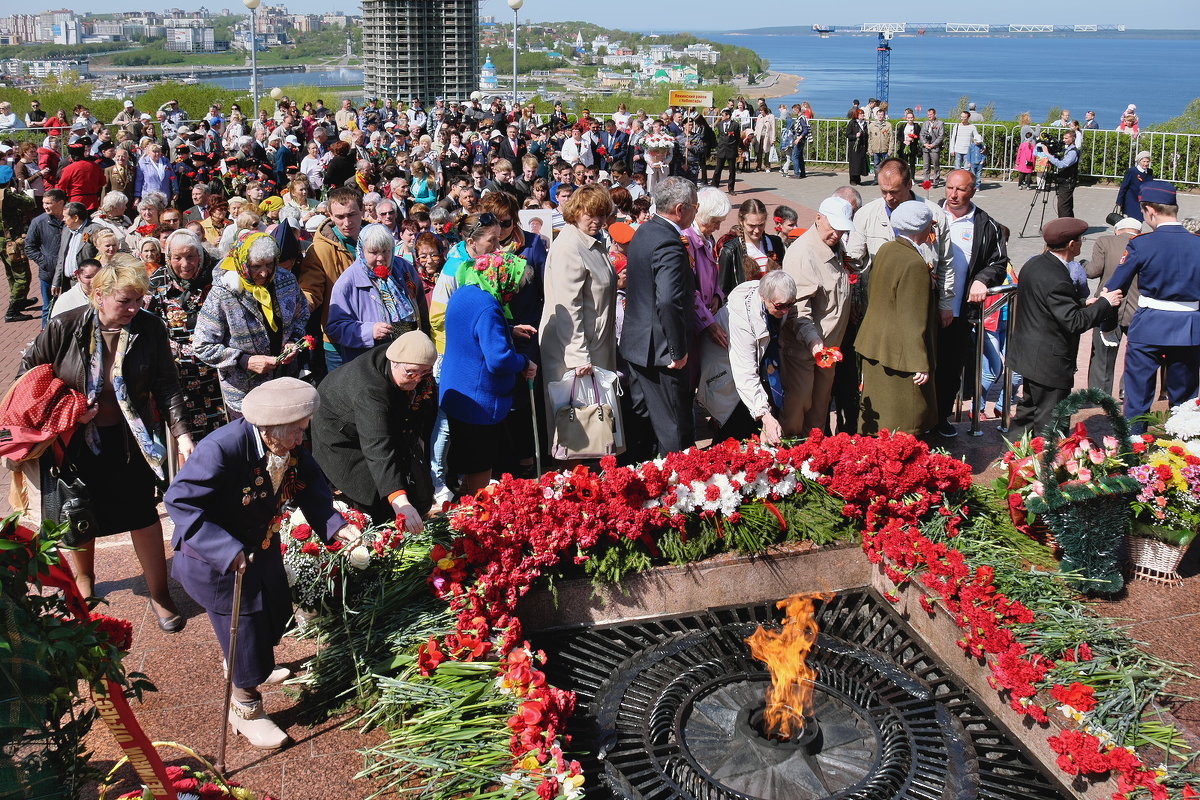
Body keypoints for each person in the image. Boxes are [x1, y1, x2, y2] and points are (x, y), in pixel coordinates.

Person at [167, 378, 358, 749]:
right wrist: (225, 549)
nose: (303, 439)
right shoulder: (223, 448)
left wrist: (336, 526)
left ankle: (246, 663)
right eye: (299, 431)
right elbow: (180, 501)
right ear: (271, 427)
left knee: (272, 614)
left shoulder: (288, 443)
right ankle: (245, 706)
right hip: (219, 561)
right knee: (245, 630)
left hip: (261, 547)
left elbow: (310, 484)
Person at [21, 257, 194, 629]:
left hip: (132, 441)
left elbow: (167, 384)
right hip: (76, 441)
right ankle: (85, 584)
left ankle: (160, 594)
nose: (133, 309)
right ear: (99, 296)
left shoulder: (149, 328)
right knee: (79, 514)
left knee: (143, 514)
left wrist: (182, 434)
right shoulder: (65, 326)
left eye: (138, 301)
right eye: (124, 301)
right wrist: (67, 410)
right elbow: (29, 377)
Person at [439, 241, 536, 494]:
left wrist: (508, 330)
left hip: (457, 389)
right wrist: (524, 362)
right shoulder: (489, 308)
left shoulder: (466, 291)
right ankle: (476, 517)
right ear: (502, 279)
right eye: (513, 285)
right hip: (478, 397)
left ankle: (465, 503)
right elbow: (499, 359)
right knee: (479, 463)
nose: (513, 292)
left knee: (466, 459)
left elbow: (472, 332)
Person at [1009, 218, 1121, 436]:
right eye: (1080, 240)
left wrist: (1081, 303)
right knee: (1052, 421)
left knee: (1027, 413)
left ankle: (1011, 458)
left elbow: (1046, 303)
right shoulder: (1057, 277)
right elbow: (1074, 322)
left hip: (1029, 355)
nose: (1081, 243)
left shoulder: (1035, 263)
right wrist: (1106, 302)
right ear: (1072, 244)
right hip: (1049, 361)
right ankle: (1046, 464)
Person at [312, 331, 437, 524]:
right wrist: (399, 501)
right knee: (374, 500)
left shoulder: (411, 365)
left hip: (377, 425)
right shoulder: (370, 390)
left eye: (425, 373)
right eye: (411, 373)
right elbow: (378, 446)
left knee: (415, 487)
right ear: (394, 362)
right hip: (342, 437)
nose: (417, 380)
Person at [1105, 181, 1200, 433]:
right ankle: (1186, 451)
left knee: (1138, 394)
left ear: (1149, 210)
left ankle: (1134, 447)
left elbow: (1115, 286)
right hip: (1189, 326)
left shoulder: (1142, 243)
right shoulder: (1197, 244)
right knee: (1186, 398)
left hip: (1149, 324)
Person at [619, 177, 697, 455]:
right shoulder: (669, 242)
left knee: (647, 423)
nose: (696, 211)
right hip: (662, 352)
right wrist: (677, 350)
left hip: (638, 344)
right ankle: (679, 488)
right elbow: (668, 299)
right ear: (680, 209)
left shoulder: (646, 230)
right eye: (694, 206)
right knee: (675, 426)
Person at [193, 232, 310, 414]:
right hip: (246, 394)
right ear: (242, 264)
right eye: (256, 266)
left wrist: (293, 341)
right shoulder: (223, 293)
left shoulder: (285, 281)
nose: (264, 273)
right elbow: (202, 346)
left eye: (269, 264)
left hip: (285, 383)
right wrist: (243, 360)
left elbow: (302, 314)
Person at [933, 169, 1010, 436]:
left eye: (961, 190)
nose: (953, 194)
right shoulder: (930, 215)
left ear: (973, 191)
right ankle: (917, 419)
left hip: (960, 313)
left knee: (951, 368)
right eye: (949, 188)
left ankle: (940, 417)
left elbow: (999, 262)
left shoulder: (986, 225)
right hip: (925, 309)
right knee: (920, 366)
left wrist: (982, 279)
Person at [856, 201, 940, 435]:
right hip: (900, 355)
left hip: (877, 345)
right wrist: (919, 363)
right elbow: (912, 319)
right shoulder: (913, 264)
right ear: (921, 228)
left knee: (878, 420)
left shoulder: (887, 249)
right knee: (904, 422)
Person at [780, 196, 857, 437]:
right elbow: (798, 310)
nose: (837, 233)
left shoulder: (835, 245)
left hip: (827, 351)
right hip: (804, 348)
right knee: (798, 407)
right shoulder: (802, 254)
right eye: (832, 226)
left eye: (842, 228)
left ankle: (814, 462)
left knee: (819, 410)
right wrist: (814, 343)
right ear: (818, 218)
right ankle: (789, 460)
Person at [539, 184, 618, 412]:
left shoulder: (588, 240)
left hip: (594, 342)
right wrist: (578, 356)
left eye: (602, 214)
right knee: (581, 422)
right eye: (590, 214)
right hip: (578, 350)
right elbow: (568, 305)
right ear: (576, 211)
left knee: (597, 420)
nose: (597, 220)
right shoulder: (570, 247)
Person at [147, 229, 225, 442]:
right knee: (186, 439)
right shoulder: (158, 282)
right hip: (178, 376)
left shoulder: (217, 278)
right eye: (177, 258)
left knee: (220, 437)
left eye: (191, 256)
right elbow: (150, 328)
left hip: (216, 374)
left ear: (200, 255)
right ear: (168, 258)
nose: (185, 264)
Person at [326, 223, 428, 363]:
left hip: (409, 357)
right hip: (371, 362)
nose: (380, 258)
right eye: (373, 252)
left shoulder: (404, 269)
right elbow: (335, 328)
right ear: (362, 251)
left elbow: (421, 308)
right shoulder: (348, 282)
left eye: (386, 251)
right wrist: (369, 331)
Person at [720, 270, 800, 444]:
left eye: (790, 304)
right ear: (763, 297)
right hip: (727, 367)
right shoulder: (743, 317)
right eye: (780, 306)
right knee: (736, 428)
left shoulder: (779, 303)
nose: (785, 310)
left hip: (765, 362)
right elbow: (745, 371)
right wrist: (764, 415)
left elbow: (796, 318)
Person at [299, 186, 363, 376]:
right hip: (338, 339)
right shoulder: (319, 250)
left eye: (352, 214)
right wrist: (295, 308)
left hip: (375, 333)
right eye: (340, 217)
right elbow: (310, 291)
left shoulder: (375, 240)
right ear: (330, 215)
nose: (347, 222)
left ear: (363, 211)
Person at [1086, 216, 1142, 396]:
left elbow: (1093, 271)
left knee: (1102, 357)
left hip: (1108, 306)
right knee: (1137, 355)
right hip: (1138, 307)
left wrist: (1081, 264)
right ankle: (1128, 391)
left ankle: (1099, 397)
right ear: (1138, 232)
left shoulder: (1105, 241)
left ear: (1117, 230)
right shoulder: (1146, 244)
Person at [683, 187, 732, 376]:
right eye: (715, 222)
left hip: (705, 313)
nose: (718, 227)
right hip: (694, 321)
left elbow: (713, 274)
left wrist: (717, 296)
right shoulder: (688, 239)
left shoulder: (707, 237)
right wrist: (709, 323)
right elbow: (689, 288)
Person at [717, 199, 785, 297]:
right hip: (743, 309)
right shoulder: (731, 251)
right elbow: (723, 290)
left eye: (761, 225)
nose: (757, 230)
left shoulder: (775, 243)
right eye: (751, 226)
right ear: (741, 221)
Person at [25, 188, 66, 327]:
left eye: (48, 203)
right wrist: (46, 262)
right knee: (48, 308)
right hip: (49, 274)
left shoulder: (72, 219)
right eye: (44, 203)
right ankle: (45, 340)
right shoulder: (38, 222)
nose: (45, 206)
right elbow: (29, 247)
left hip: (69, 274)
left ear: (60, 203)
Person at [1038, 130, 1080, 218]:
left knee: (1063, 206)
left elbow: (1062, 164)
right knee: (1067, 205)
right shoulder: (1067, 149)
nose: (1064, 140)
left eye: (1066, 138)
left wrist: (1047, 154)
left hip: (1068, 181)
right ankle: (1071, 225)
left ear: (1073, 138)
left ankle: (1065, 226)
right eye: (1063, 138)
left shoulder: (1073, 152)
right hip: (1064, 180)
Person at [1116, 151, 1153, 222]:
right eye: (1144, 161)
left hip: (1143, 201)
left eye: (1147, 161)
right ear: (1139, 161)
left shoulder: (1150, 172)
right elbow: (1124, 186)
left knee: (1140, 220)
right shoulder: (1132, 171)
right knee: (1132, 220)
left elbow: (1150, 186)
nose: (1146, 164)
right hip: (1131, 200)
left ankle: (1137, 233)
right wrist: (1119, 201)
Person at [710, 109, 740, 194]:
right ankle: (714, 187)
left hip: (731, 150)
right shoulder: (719, 125)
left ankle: (731, 189)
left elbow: (737, 138)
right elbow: (719, 136)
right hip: (722, 150)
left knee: (732, 171)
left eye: (723, 115)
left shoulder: (735, 125)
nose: (721, 117)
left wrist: (734, 146)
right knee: (718, 170)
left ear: (728, 116)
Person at [920, 108, 945, 186]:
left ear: (935, 114)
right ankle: (926, 181)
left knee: (936, 165)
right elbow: (921, 135)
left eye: (930, 114)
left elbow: (941, 136)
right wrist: (924, 143)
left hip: (935, 147)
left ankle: (936, 181)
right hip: (926, 147)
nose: (929, 116)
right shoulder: (925, 123)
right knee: (926, 165)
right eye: (928, 114)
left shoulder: (940, 123)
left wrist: (933, 144)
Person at [867, 107, 894, 178]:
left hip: (885, 149)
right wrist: (870, 149)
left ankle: (886, 179)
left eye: (882, 115)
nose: (880, 116)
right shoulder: (872, 125)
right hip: (875, 149)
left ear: (884, 116)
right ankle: (876, 179)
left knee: (886, 166)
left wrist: (890, 150)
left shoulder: (888, 125)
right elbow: (869, 139)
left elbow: (891, 138)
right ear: (876, 115)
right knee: (876, 165)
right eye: (879, 115)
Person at [895, 108, 922, 176]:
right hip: (904, 146)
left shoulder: (916, 126)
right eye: (908, 118)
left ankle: (912, 177)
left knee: (912, 162)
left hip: (913, 146)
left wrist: (913, 139)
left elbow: (919, 135)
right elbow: (898, 136)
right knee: (904, 162)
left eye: (911, 117)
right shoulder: (903, 126)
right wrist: (904, 141)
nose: (910, 119)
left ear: (913, 118)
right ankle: (904, 176)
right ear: (906, 118)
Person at [846, 109, 869, 186]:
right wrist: (855, 136)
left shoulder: (864, 123)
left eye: (863, 114)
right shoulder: (852, 123)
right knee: (854, 163)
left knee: (860, 163)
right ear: (857, 115)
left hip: (862, 146)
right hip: (854, 147)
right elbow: (848, 135)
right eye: (861, 114)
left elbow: (866, 134)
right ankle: (852, 179)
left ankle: (858, 179)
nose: (862, 115)